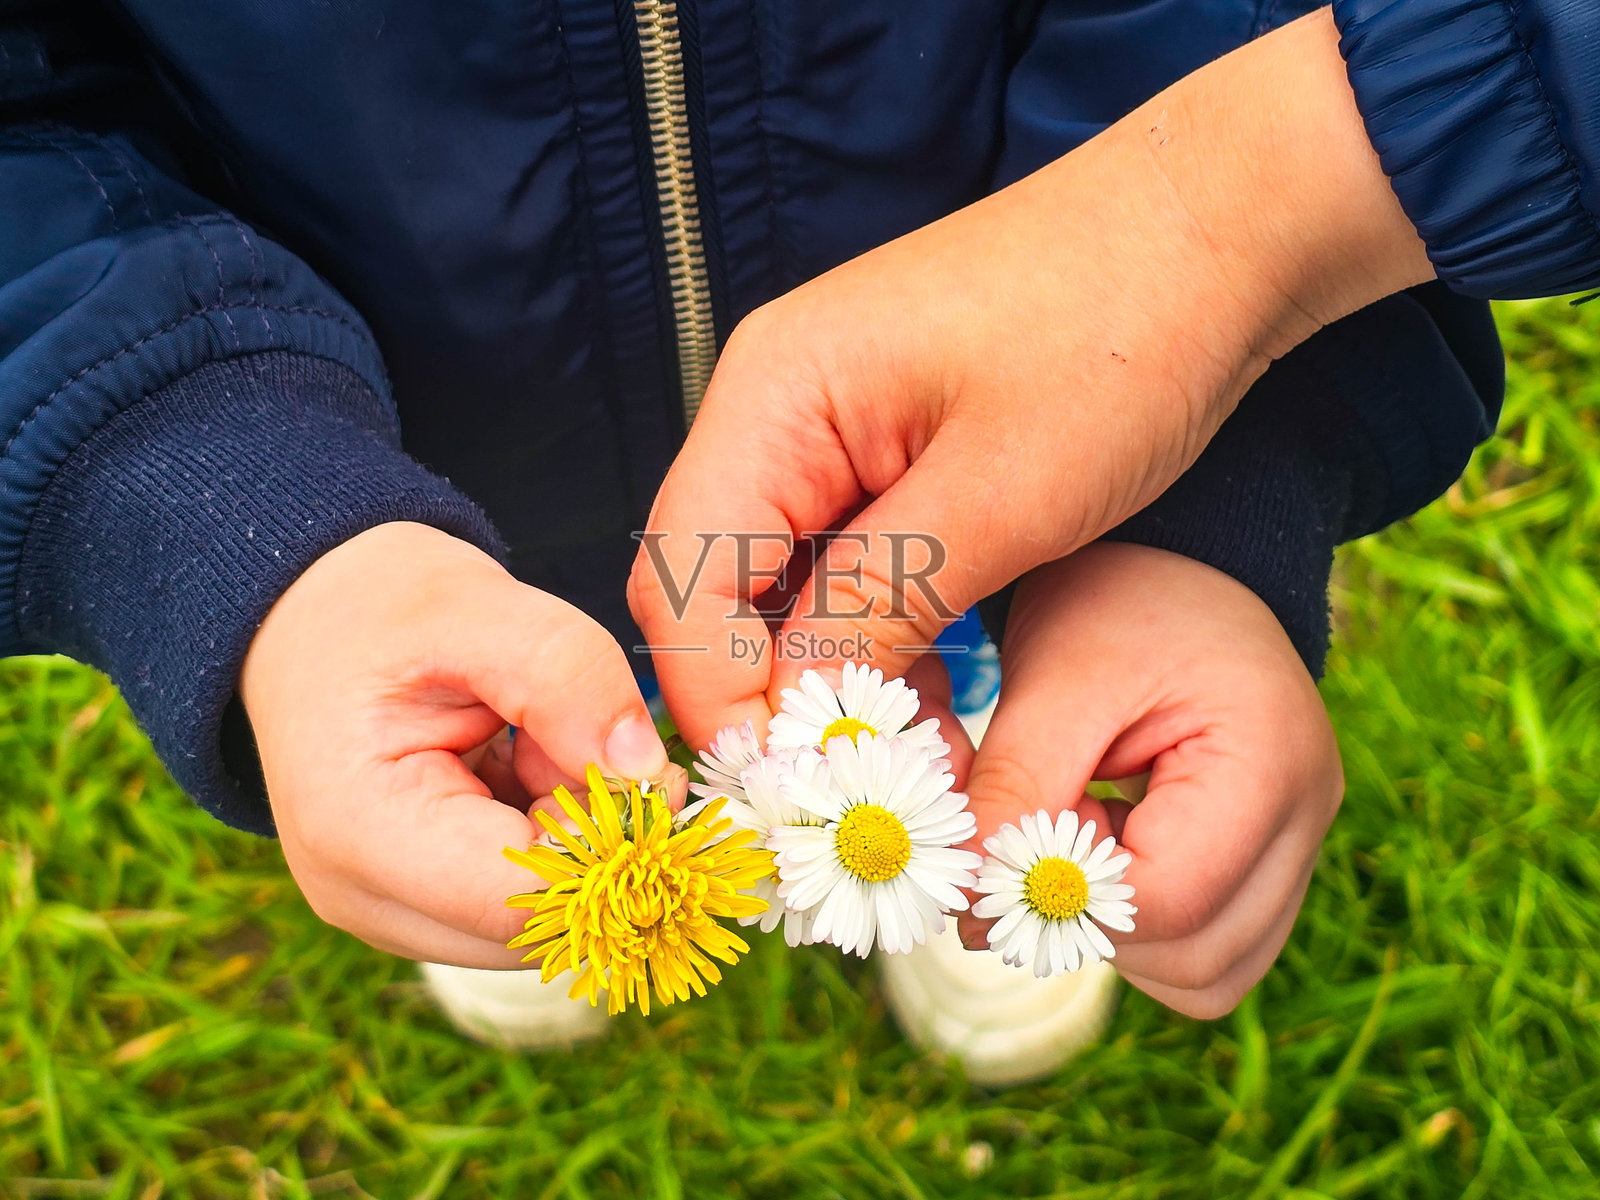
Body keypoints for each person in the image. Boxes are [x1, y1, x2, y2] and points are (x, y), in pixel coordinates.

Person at [1, 0, 1591, 1083]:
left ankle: (1017, 845)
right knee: (553, 662)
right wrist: (245, 508)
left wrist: (1200, 479)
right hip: (420, 412)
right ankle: (552, 846)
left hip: (1011, 433)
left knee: (955, 666)